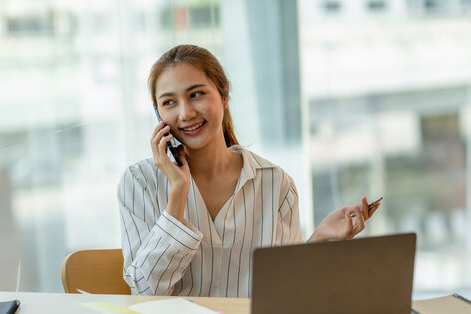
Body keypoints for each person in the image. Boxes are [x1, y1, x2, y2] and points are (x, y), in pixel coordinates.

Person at [118, 44, 380, 298]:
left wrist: (320, 238)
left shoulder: (276, 183)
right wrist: (177, 193)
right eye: (169, 102)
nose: (185, 113)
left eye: (196, 94)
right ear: (158, 114)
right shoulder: (139, 183)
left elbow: (287, 291)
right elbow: (144, 292)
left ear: (224, 95)